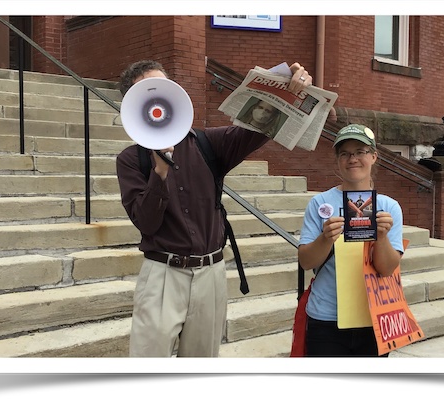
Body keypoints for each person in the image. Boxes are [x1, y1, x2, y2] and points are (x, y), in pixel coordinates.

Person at [116, 59, 312, 357]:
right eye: (144, 93)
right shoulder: (132, 160)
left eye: (162, 88)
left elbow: (256, 129)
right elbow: (146, 222)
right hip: (163, 275)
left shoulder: (207, 144)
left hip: (211, 275)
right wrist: (159, 174)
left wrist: (290, 90)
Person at [297, 124, 404, 357]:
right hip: (326, 317)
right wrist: (326, 238)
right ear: (337, 160)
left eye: (360, 151)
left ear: (374, 156)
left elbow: (386, 269)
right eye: (344, 153)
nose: (352, 158)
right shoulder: (320, 203)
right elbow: (306, 262)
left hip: (373, 315)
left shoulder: (388, 207)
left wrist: (382, 237)